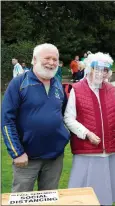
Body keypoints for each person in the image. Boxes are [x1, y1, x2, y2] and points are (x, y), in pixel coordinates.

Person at [64, 52, 115, 205]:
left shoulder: (112, 89)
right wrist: (87, 133)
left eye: (106, 69)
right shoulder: (77, 89)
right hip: (87, 150)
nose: (102, 72)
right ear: (89, 68)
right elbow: (68, 118)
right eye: (98, 68)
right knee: (82, 197)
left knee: (106, 195)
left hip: (110, 150)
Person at [1, 43, 70, 192]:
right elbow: (7, 120)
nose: (51, 63)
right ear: (34, 59)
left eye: (55, 59)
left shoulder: (58, 85)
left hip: (55, 158)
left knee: (49, 199)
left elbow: (65, 115)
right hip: (26, 158)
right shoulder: (19, 83)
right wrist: (17, 152)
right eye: (47, 58)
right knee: (21, 200)